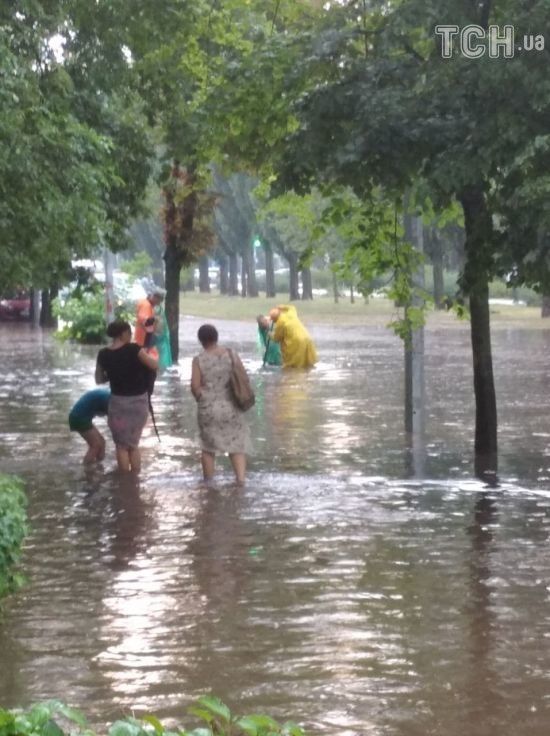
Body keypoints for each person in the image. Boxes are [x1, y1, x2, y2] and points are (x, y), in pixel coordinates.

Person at [190, 324, 251, 485]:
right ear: (216, 337)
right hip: (232, 407)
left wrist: (202, 397)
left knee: (208, 448)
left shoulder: (199, 360)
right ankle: (240, 481)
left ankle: (209, 484)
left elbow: (195, 386)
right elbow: (243, 378)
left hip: (208, 409)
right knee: (236, 446)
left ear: (201, 340)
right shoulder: (232, 355)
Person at [95, 320, 158, 473]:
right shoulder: (134, 349)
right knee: (134, 445)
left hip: (118, 404)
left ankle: (124, 481)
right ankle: (135, 480)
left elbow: (99, 379)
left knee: (121, 446)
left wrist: (114, 374)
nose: (131, 336)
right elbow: (154, 365)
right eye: (130, 333)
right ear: (123, 334)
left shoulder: (103, 354)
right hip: (138, 404)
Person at [269, 304, 318, 369]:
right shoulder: (290, 314)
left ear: (274, 319)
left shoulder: (279, 323)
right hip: (307, 339)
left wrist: (269, 334)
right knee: (307, 365)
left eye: (273, 320)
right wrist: (281, 307)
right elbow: (292, 307)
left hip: (295, 343)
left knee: (293, 367)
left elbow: (276, 338)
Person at [68, 388, 110, 463]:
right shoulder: (110, 400)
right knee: (95, 445)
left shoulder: (109, 395)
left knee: (102, 442)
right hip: (79, 419)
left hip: (79, 417)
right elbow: (113, 422)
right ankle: (86, 467)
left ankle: (99, 465)